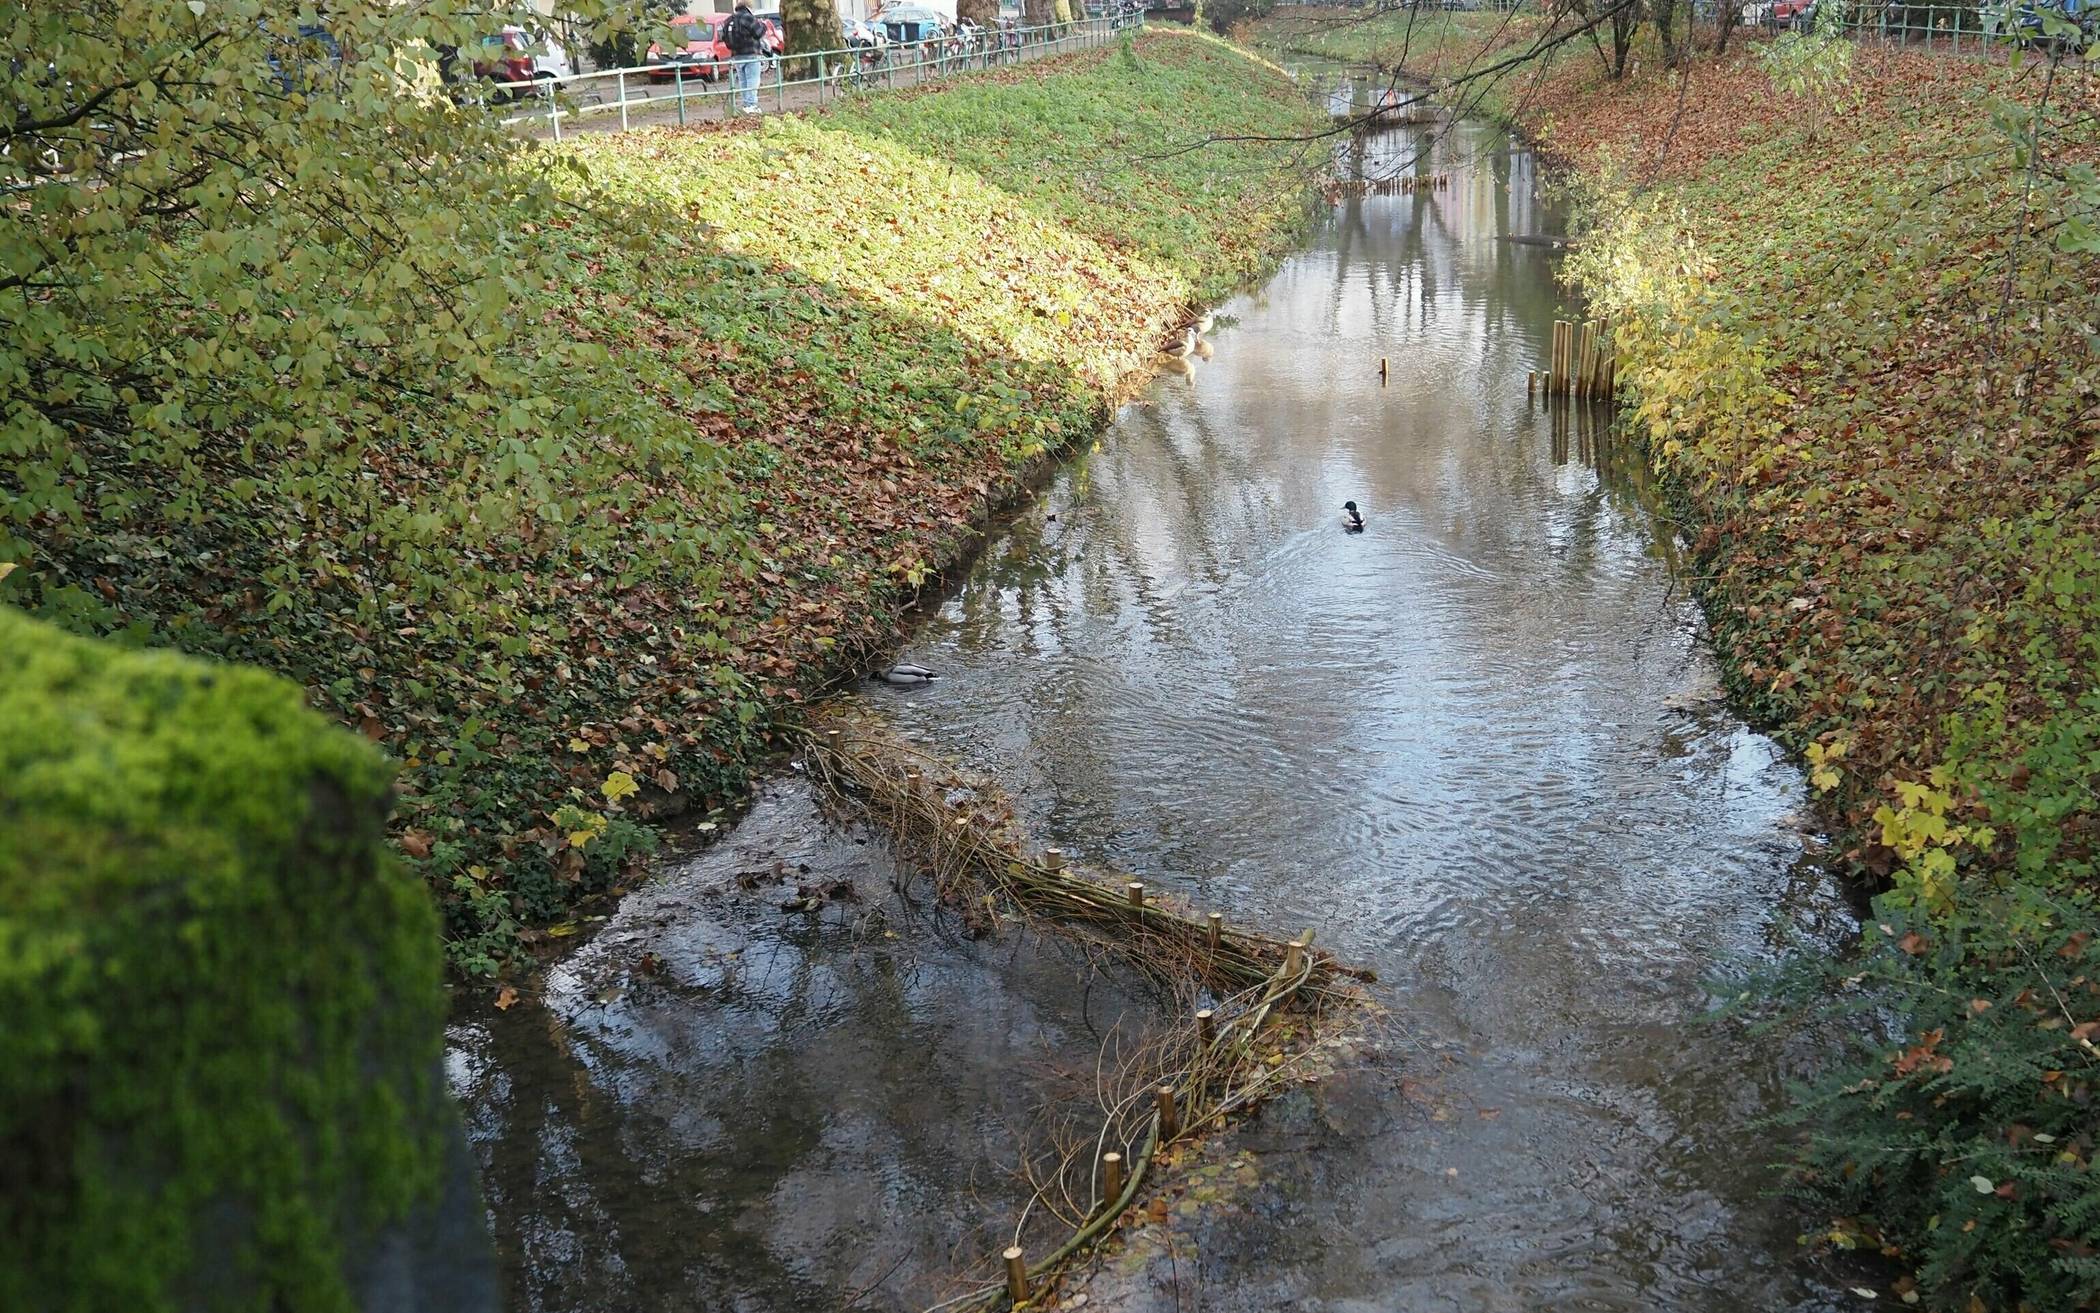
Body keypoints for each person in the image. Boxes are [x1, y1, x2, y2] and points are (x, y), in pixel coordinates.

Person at [724, 2, 766, 115]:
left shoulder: (729, 19)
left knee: (743, 80)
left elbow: (723, 36)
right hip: (751, 53)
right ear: (748, 7)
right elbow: (758, 32)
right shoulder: (748, 18)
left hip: (737, 54)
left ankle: (746, 104)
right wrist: (764, 25)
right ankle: (751, 104)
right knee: (753, 80)